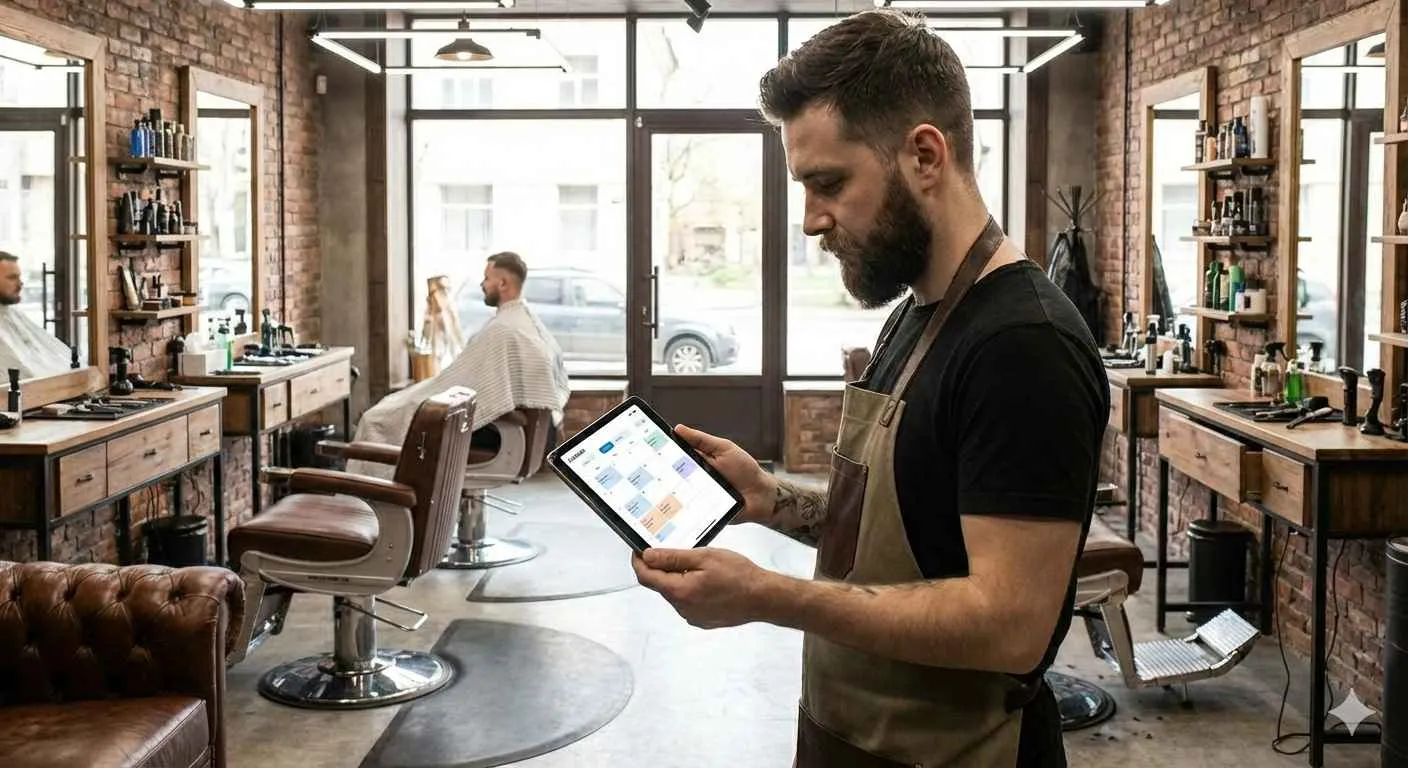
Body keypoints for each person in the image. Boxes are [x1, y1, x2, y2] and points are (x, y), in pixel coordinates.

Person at [629, 10, 1108, 768]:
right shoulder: (914, 316)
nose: (812, 220)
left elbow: (1007, 623)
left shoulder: (1022, 345)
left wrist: (767, 597)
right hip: (849, 737)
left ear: (924, 155)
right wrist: (771, 498)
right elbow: (913, 536)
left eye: (828, 183)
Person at [348, 252, 570, 479]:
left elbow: (466, 388)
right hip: (518, 435)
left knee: (377, 419)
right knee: (396, 407)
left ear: (502, 283)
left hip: (497, 434)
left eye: (487, 278)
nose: (482, 284)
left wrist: (410, 402)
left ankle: (370, 498)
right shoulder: (528, 323)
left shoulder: (504, 331)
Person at [0, 251, 72, 379]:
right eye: (12, 278)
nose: (20, 284)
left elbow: (61, 358)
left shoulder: (13, 315)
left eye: (19, 277)